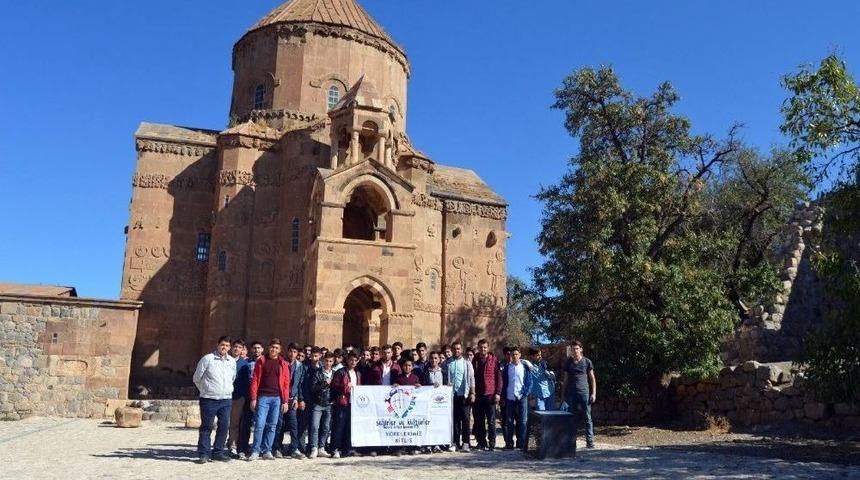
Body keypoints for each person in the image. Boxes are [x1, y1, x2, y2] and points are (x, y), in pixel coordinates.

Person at [193, 335, 237, 464]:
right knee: (207, 427)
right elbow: (197, 378)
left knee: (224, 426)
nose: (225, 347)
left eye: (227, 345)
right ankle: (204, 454)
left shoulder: (232, 361)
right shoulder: (207, 359)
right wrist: (206, 389)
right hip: (209, 399)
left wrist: (226, 389)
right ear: (218, 345)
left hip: (226, 399)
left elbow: (232, 378)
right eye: (223, 344)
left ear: (230, 348)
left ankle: (218, 452)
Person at [248, 339, 291, 461]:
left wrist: (285, 401)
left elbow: (286, 383)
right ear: (268, 348)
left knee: (272, 425)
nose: (274, 350)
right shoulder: (262, 361)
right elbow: (255, 380)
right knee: (260, 424)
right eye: (272, 347)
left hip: (277, 398)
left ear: (280, 350)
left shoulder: (283, 363)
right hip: (263, 397)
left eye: (277, 348)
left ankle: (267, 450)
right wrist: (253, 398)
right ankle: (256, 450)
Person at [562, 340, 597, 449]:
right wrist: (563, 395)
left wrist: (593, 393)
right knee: (571, 417)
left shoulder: (587, 362)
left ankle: (590, 442)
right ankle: (571, 442)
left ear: (581, 349)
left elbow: (592, 378)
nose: (575, 350)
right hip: (571, 394)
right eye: (573, 349)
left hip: (584, 393)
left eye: (577, 348)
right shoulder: (568, 362)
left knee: (587, 417)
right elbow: (565, 379)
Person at [501, 346, 533, 452]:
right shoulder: (507, 368)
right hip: (510, 397)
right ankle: (509, 443)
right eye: (512, 354)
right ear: (510, 356)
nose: (514, 356)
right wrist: (503, 396)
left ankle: (522, 443)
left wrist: (525, 393)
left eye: (516, 354)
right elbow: (504, 383)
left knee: (523, 421)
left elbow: (529, 382)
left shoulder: (524, 367)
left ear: (520, 355)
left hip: (522, 397)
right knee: (509, 421)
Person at [472, 339, 502, 451]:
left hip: (490, 394)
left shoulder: (494, 360)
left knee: (491, 421)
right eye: (481, 347)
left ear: (488, 348)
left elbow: (499, 378)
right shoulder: (474, 360)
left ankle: (492, 443)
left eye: (485, 347)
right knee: (479, 420)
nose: (483, 349)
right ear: (478, 348)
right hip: (478, 395)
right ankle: (481, 442)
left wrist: (498, 393)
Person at [445, 341, 475, 452]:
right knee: (455, 420)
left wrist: (472, 393)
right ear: (452, 350)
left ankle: (466, 442)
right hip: (453, 395)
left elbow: (472, 379)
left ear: (461, 350)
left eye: (458, 349)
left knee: (465, 420)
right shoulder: (448, 363)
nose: (456, 350)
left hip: (464, 395)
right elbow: (444, 377)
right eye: (454, 349)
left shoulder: (467, 363)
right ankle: (455, 443)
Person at [331, 351, 361, 458]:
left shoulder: (358, 373)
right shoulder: (340, 372)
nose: (353, 362)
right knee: (339, 426)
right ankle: (335, 449)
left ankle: (348, 448)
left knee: (350, 426)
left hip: (353, 403)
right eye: (351, 360)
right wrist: (344, 386)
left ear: (358, 361)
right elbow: (334, 385)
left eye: (355, 360)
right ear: (347, 360)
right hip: (342, 402)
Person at [308, 352, 336, 459]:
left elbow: (336, 389)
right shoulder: (317, 373)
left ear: (333, 362)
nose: (328, 363)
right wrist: (325, 383)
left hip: (329, 404)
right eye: (326, 361)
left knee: (326, 427)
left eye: (330, 361)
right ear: (323, 361)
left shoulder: (335, 373)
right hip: (318, 403)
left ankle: (321, 447)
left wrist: (334, 399)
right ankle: (314, 448)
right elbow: (313, 388)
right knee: (315, 426)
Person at [421, 351, 448, 454]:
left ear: (439, 360)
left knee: (437, 424)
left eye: (436, 358)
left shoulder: (443, 372)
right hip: (428, 402)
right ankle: (428, 444)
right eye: (432, 358)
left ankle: (437, 444)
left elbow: (446, 386)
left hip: (440, 404)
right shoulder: (425, 372)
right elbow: (423, 385)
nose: (434, 360)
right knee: (428, 423)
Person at [227, 339, 248, 458]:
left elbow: (246, 382)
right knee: (224, 422)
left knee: (235, 422)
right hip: (224, 395)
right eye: (235, 346)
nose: (236, 349)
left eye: (239, 347)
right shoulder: (226, 361)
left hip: (238, 396)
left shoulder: (244, 364)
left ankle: (233, 446)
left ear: (242, 350)